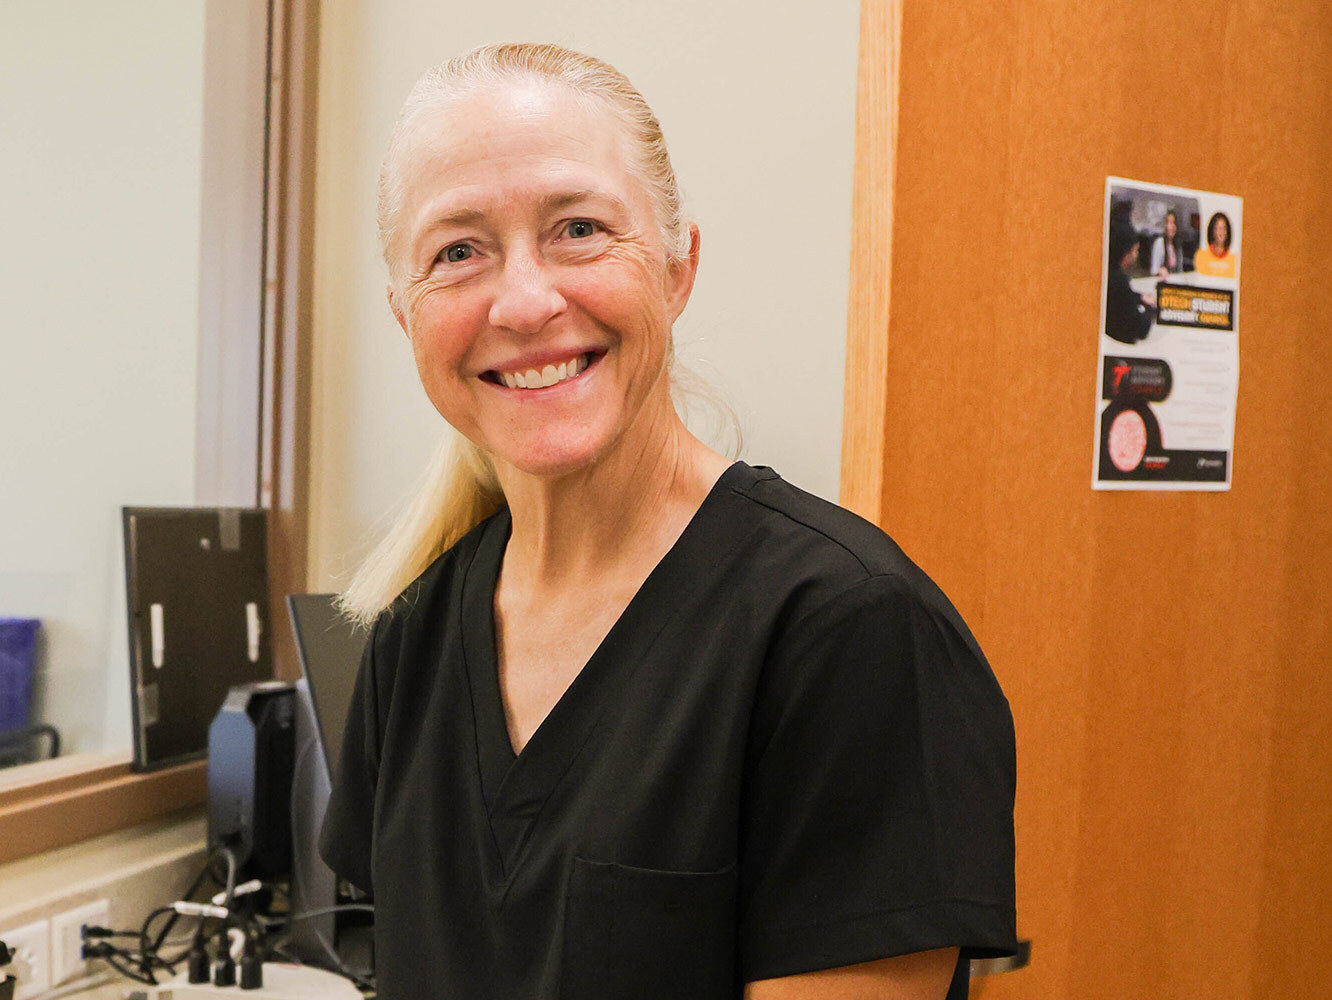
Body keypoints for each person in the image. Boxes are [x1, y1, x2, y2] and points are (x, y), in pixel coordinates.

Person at [320, 43, 1017, 1000]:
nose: (524, 300)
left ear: (678, 269)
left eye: (578, 229)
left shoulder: (848, 633)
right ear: (406, 316)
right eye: (458, 251)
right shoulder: (415, 638)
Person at [1105, 226, 1157, 344]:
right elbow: (1141, 329)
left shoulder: (1110, 273)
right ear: (1126, 253)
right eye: (1135, 250)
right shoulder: (1120, 281)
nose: (1137, 254)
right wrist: (1151, 309)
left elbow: (1124, 297)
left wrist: (1140, 297)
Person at [1194, 211, 1237, 278]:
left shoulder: (1235, 260)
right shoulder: (1201, 256)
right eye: (1219, 228)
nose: (1221, 232)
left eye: (1224, 228)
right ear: (1213, 231)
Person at [1149, 209, 1183, 277]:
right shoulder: (1159, 243)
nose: (1172, 227)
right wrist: (1160, 271)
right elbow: (1154, 270)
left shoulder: (1177, 245)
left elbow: (1180, 270)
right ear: (1165, 225)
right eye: (1170, 223)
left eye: (1174, 223)